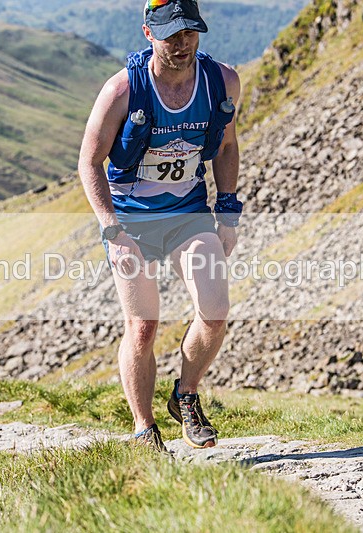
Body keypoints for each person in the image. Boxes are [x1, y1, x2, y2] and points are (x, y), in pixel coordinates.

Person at [78, 0, 242, 453]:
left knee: (214, 313)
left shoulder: (222, 81)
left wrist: (227, 211)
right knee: (143, 326)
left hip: (188, 213)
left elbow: (226, 146)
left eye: (190, 33)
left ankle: (186, 395)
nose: (182, 44)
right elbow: (89, 162)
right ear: (148, 34)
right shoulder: (121, 91)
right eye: (171, 35)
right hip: (130, 221)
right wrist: (112, 231)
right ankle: (143, 429)